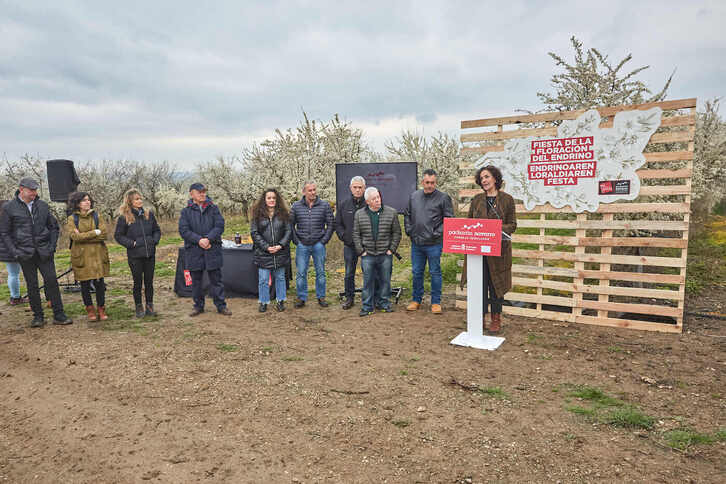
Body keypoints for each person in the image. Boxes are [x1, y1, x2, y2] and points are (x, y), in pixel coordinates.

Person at [0, 178, 72, 327]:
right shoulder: (9, 207)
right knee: (32, 285)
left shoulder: (43, 206)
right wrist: (15, 251)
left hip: (44, 251)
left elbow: (54, 227)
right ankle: (38, 316)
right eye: (31, 190)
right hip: (24, 253)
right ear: (21, 190)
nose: (34, 192)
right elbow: (5, 233)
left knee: (52, 281)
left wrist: (52, 247)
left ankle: (59, 315)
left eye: (35, 190)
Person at [460, 165, 517, 334]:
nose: (484, 180)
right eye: (482, 178)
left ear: (495, 178)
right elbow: (469, 223)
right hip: (479, 252)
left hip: (499, 252)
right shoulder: (477, 200)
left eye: (487, 177)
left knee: (496, 285)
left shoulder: (507, 199)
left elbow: (513, 225)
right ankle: (480, 317)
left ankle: (496, 318)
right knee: (480, 284)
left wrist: (494, 229)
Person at [404, 168, 454, 314]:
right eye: (427, 182)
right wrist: (409, 230)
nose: (430, 185)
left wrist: (435, 233)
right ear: (422, 182)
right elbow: (407, 214)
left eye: (432, 183)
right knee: (417, 272)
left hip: (434, 244)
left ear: (436, 182)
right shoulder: (414, 196)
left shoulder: (443, 198)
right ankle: (416, 299)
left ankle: (436, 302)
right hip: (417, 243)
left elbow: (449, 219)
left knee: (435, 272)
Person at [178, 182, 232, 317]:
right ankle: (198, 306)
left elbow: (219, 226)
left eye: (204, 192)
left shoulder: (214, 208)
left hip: (212, 248)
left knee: (216, 280)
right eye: (199, 192)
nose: (202, 194)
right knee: (196, 281)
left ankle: (221, 306)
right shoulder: (186, 212)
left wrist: (208, 239)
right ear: (192, 194)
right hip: (194, 251)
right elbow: (184, 230)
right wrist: (199, 240)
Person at [353, 187, 401, 317]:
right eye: (374, 199)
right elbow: (356, 235)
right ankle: (367, 307)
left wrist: (391, 249)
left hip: (385, 254)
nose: (378, 200)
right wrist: (361, 251)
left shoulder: (391, 212)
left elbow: (397, 233)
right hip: (367, 255)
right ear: (367, 201)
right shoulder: (359, 214)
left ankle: (384, 304)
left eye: (378, 197)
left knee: (385, 281)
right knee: (368, 282)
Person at [114, 189, 162, 318]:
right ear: (130, 201)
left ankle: (150, 306)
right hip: (135, 256)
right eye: (136, 199)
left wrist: (154, 241)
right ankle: (139, 306)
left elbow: (157, 230)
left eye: (140, 198)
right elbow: (118, 236)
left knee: (149, 282)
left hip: (150, 254)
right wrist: (132, 244)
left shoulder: (149, 214)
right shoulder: (124, 217)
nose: (140, 201)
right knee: (137, 282)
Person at [67, 192, 110, 321]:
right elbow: (74, 237)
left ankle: (101, 308)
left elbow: (104, 235)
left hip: (98, 255)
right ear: (77, 203)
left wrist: (83, 236)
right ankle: (90, 309)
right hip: (81, 256)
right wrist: (94, 233)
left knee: (100, 284)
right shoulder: (72, 219)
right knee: (84, 284)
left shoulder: (97, 216)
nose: (88, 202)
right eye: (84, 200)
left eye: (88, 200)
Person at [290, 180, 334, 308]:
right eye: (310, 190)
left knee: (320, 272)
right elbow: (290, 225)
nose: (313, 192)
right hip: (302, 244)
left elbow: (331, 224)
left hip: (318, 245)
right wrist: (296, 241)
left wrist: (323, 241)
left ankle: (321, 297)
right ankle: (301, 297)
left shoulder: (324, 205)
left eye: (314, 189)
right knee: (301, 273)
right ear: (304, 192)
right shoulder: (296, 206)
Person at [250, 188, 292, 313]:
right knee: (263, 279)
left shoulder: (284, 213)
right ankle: (263, 301)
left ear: (277, 199)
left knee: (280, 277)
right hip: (263, 253)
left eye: (274, 198)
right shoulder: (257, 214)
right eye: (269, 198)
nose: (271, 200)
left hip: (280, 252)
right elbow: (254, 233)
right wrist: (266, 247)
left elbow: (289, 231)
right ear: (264, 200)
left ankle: (281, 301)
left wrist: (280, 245)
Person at [334, 176, 367, 309]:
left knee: (369, 272)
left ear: (364, 188)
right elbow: (338, 224)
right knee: (349, 272)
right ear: (350, 188)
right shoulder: (343, 204)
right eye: (355, 187)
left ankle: (369, 298)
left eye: (360, 187)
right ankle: (349, 298)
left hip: (366, 245)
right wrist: (344, 237)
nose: (358, 190)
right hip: (349, 245)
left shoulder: (369, 204)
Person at [0, 201, 27, 305]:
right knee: (14, 274)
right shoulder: (10, 220)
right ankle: (15, 297)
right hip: (12, 250)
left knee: (12, 274)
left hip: (5, 251)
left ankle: (15, 296)